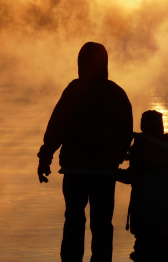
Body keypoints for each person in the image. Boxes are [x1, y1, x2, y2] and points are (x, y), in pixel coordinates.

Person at [37, 42, 133, 262]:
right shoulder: (117, 94)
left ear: (81, 64)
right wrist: (116, 158)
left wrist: (45, 157)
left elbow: (57, 127)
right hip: (105, 173)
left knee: (74, 220)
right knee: (102, 225)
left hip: (75, 171)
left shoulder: (74, 90)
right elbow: (126, 134)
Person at [118, 110, 168, 262]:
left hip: (142, 214)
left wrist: (111, 173)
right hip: (164, 215)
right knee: (163, 250)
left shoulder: (139, 147)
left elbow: (130, 176)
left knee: (142, 251)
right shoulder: (167, 148)